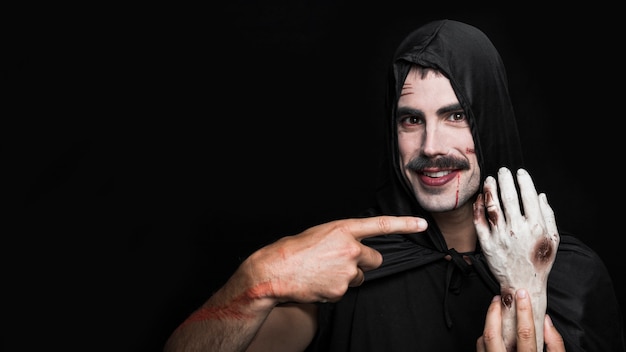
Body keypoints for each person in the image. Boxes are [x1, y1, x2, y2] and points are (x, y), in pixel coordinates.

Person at [163, 19, 625, 351]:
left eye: (456, 115)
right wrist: (258, 279)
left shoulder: (571, 276)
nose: (430, 146)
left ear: (492, 121)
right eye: (410, 120)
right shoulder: (347, 264)